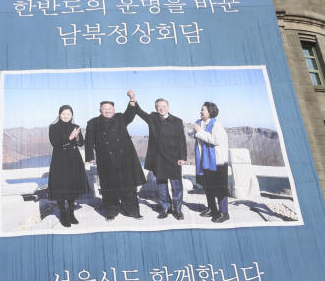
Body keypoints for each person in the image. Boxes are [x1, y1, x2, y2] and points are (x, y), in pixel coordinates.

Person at [127, 90, 187, 220]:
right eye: (159, 107)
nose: (161, 109)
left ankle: (177, 209)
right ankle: (165, 207)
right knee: (161, 185)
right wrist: (133, 99)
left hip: (174, 158)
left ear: (168, 107)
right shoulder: (152, 118)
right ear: (156, 108)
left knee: (177, 186)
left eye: (164, 106)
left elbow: (182, 140)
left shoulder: (177, 121)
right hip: (158, 158)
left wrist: (183, 157)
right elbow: (139, 111)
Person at [85, 100, 146, 220]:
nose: (107, 110)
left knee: (128, 188)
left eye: (110, 108)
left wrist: (132, 101)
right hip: (106, 159)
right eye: (104, 108)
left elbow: (130, 113)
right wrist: (90, 156)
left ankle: (133, 212)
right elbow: (89, 141)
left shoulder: (120, 118)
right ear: (100, 110)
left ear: (114, 109)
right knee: (109, 188)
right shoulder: (93, 123)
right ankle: (110, 213)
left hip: (125, 159)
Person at [48, 105, 88, 228]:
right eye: (63, 114)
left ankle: (71, 213)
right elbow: (55, 143)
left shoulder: (75, 127)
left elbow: (81, 143)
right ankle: (63, 214)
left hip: (74, 159)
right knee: (60, 185)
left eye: (68, 114)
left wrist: (77, 137)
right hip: (59, 159)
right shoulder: (53, 127)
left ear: (72, 115)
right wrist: (69, 137)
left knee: (72, 185)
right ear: (59, 114)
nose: (66, 116)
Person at [191, 102, 231, 223]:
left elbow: (215, 140)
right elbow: (197, 135)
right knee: (208, 186)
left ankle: (224, 213)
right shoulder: (200, 122)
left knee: (219, 188)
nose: (200, 111)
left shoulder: (217, 124)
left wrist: (199, 132)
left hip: (216, 162)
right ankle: (212, 209)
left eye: (203, 110)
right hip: (204, 161)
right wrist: (194, 131)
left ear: (209, 112)